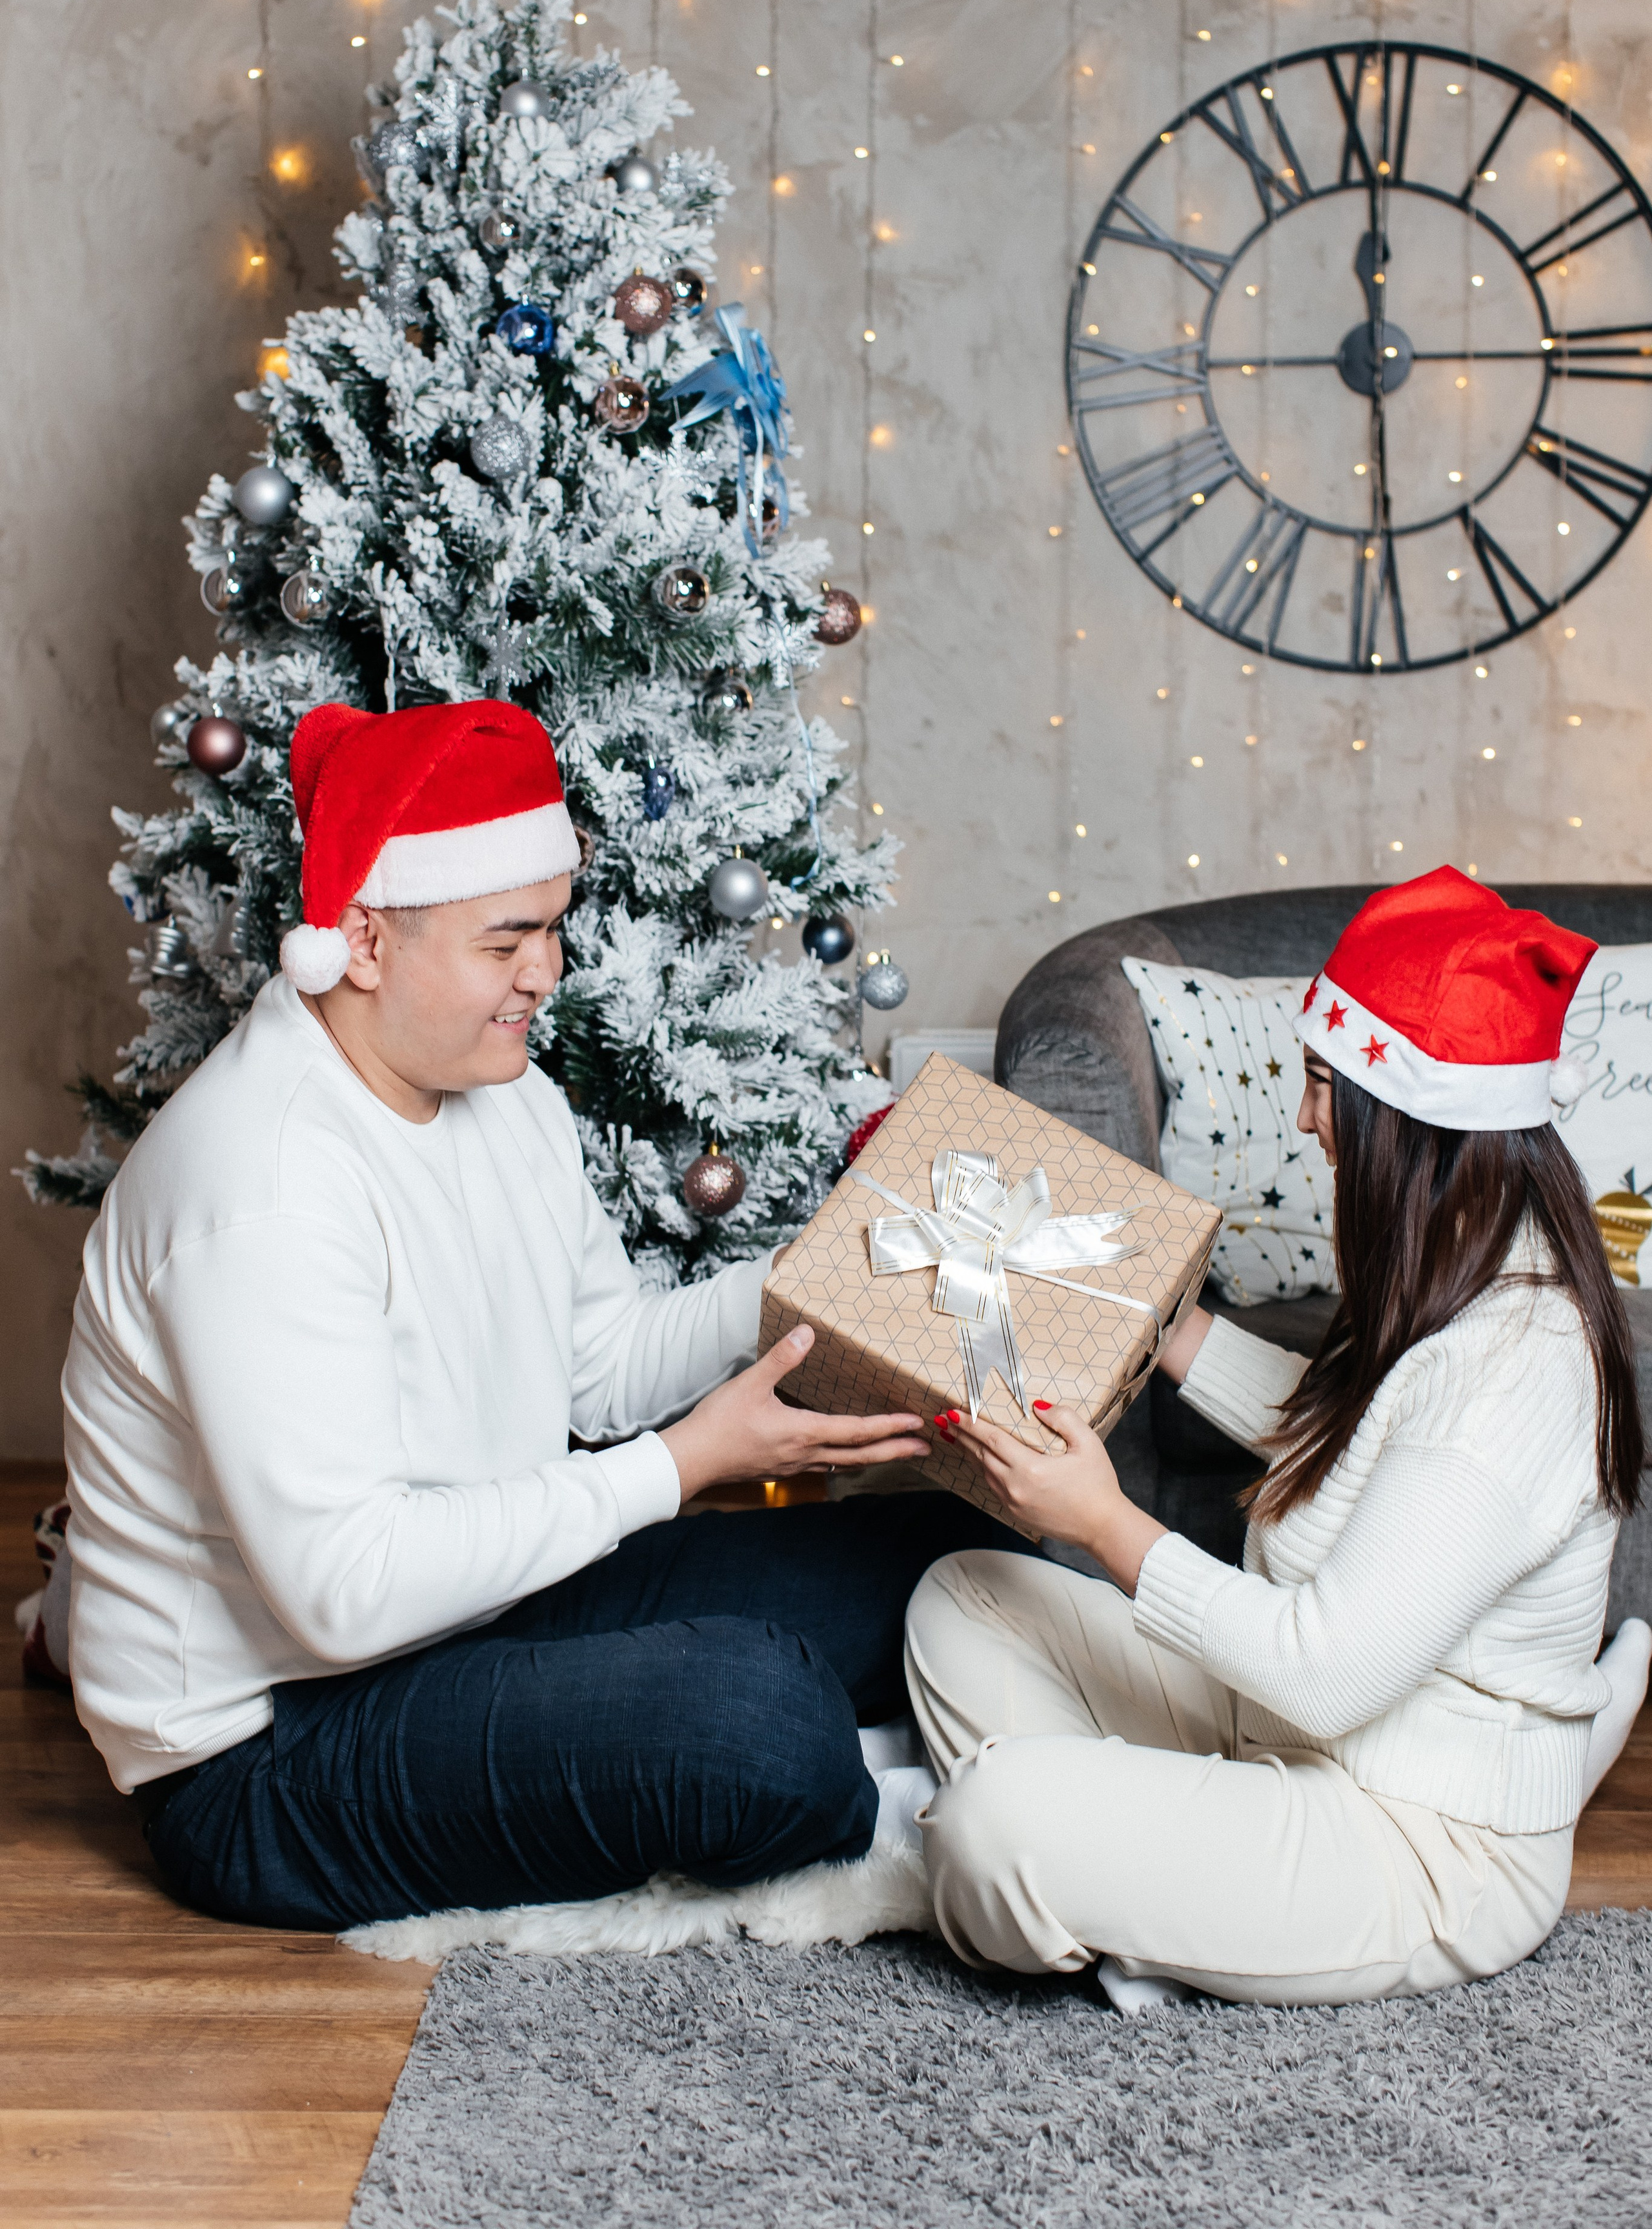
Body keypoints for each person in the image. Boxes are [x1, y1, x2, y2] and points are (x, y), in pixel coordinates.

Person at [62, 697, 1014, 1931]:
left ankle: (892, 1745)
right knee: (755, 1721)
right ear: (362, 939)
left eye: (554, 931)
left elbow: (601, 1369)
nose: (545, 976)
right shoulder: (266, 1188)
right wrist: (683, 1469)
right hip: (267, 1749)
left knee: (959, 1566)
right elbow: (345, 1593)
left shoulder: (504, 1095)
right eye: (506, 940)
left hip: (483, 1609)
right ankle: (917, 1796)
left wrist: (816, 1276)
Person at [907, 867, 1651, 2006]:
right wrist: (1158, 1316)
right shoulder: (1456, 1247)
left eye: (1321, 1085)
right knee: (961, 1598)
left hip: (1421, 1839)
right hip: (1295, 1744)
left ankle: (1122, 1883)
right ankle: (1161, 1902)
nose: (1306, 1122)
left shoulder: (1521, 1367)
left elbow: (1323, 1670)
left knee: (990, 1825)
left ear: (1401, 1113)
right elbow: (1354, 1437)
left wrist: (1106, 1524)